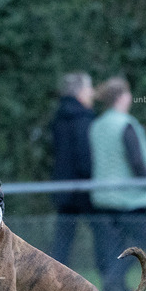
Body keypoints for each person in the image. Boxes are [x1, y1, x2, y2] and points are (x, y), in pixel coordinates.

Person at [88, 76, 146, 291]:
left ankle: (116, 290)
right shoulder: (126, 124)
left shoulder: (97, 126)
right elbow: (136, 160)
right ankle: (113, 280)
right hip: (129, 197)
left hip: (103, 197)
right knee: (142, 238)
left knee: (113, 246)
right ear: (122, 97)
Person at [49, 72, 96, 265]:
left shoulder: (59, 118)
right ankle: (112, 276)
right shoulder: (84, 119)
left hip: (63, 186)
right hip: (84, 187)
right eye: (89, 88)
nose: (92, 92)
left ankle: (53, 278)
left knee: (63, 240)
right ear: (80, 91)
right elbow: (85, 156)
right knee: (104, 232)